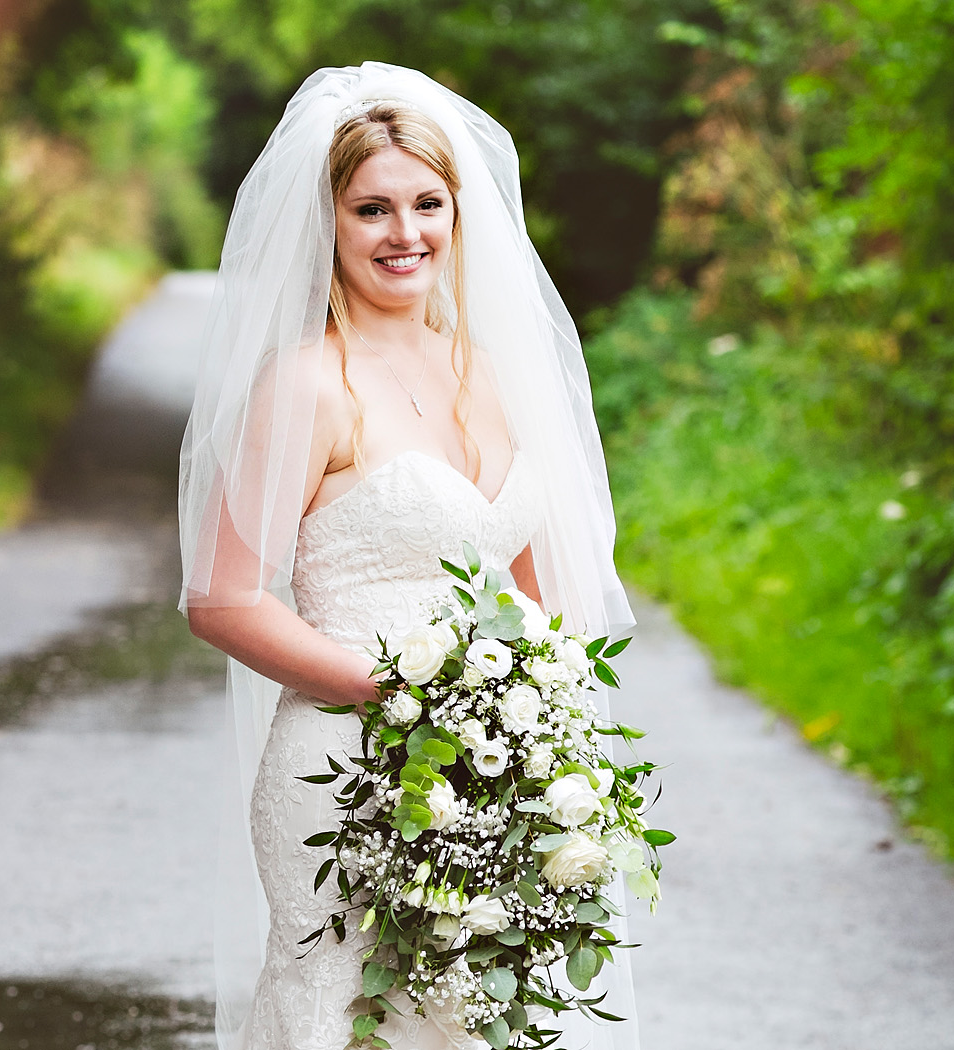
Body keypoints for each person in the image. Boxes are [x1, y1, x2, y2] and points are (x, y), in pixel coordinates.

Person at [178, 64, 638, 1050]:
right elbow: (220, 598)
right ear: (330, 222)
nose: (405, 233)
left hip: (491, 768)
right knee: (348, 1014)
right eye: (372, 209)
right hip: (342, 773)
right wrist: (396, 694)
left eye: (427, 203)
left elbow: (539, 590)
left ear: (459, 212)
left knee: (478, 1018)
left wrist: (538, 730)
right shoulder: (306, 385)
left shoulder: (494, 374)